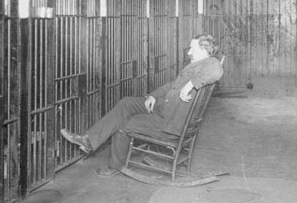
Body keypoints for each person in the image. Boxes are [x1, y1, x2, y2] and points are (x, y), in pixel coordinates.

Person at [60, 34, 224, 177]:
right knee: (126, 103)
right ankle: (89, 140)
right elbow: (171, 85)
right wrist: (153, 95)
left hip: (169, 123)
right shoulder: (197, 65)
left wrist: (191, 85)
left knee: (121, 124)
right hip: (164, 109)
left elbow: (217, 70)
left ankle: (115, 166)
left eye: (192, 48)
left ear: (204, 50)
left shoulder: (211, 64)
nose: (188, 52)